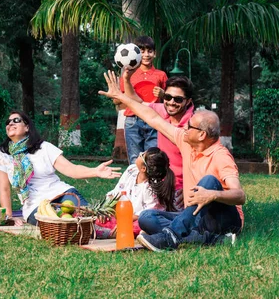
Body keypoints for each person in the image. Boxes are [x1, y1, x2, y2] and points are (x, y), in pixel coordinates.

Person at [99, 70, 246, 251]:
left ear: (201, 135)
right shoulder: (187, 142)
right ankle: (211, 240)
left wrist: (213, 194)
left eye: (189, 126)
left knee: (209, 182)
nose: (185, 128)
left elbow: (240, 195)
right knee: (147, 217)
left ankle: (170, 237)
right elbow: (153, 118)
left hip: (223, 220)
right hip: (194, 216)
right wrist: (120, 96)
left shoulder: (220, 156)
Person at [0, 110, 121, 226]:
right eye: (8, 122)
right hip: (35, 204)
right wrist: (9, 216)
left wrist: (95, 171)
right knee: (59, 224)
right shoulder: (3, 154)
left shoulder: (44, 147)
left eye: (16, 120)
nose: (10, 124)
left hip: (62, 193)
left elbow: (71, 169)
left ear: (27, 127)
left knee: (89, 218)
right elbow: (4, 189)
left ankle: (119, 227)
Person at [122, 72, 195, 209]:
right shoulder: (162, 110)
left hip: (181, 189)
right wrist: (126, 80)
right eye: (168, 97)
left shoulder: (194, 126)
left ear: (188, 101)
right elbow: (137, 102)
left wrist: (190, 189)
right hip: (158, 182)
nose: (172, 102)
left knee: (150, 219)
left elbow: (202, 165)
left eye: (178, 99)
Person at [95, 147, 176, 238]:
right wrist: (104, 210)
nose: (140, 153)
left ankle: (114, 232)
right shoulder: (131, 170)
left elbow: (147, 216)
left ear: (143, 168)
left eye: (142, 155)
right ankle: (112, 231)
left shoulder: (151, 189)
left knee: (140, 225)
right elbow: (116, 192)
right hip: (122, 216)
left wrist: (126, 221)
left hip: (137, 220)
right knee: (99, 218)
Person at [118, 36, 167, 166]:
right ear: (136, 54)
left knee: (153, 157)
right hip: (133, 120)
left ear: (155, 53)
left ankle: (152, 186)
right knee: (135, 159)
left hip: (153, 119)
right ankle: (135, 185)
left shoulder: (160, 75)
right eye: (142, 51)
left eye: (149, 51)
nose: (146, 55)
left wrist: (163, 94)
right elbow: (124, 99)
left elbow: (169, 100)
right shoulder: (128, 74)